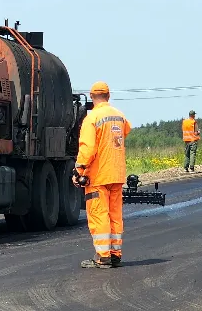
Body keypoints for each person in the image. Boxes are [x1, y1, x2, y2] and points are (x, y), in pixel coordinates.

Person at [73, 81, 131, 269]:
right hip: (117, 173)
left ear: (91, 97)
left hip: (98, 176)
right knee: (115, 215)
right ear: (108, 96)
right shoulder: (120, 116)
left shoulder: (92, 118)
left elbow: (88, 149)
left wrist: (78, 170)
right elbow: (125, 132)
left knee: (99, 215)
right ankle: (115, 254)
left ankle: (103, 257)